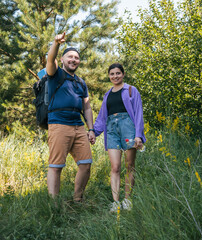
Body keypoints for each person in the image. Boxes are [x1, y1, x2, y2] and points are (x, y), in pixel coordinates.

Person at [46, 32, 96, 202]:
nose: (73, 60)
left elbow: (87, 107)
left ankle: (77, 199)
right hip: (59, 125)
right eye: (70, 57)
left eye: (76, 58)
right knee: (56, 166)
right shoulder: (56, 74)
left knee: (86, 164)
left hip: (78, 126)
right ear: (62, 59)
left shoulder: (81, 82)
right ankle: (54, 206)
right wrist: (56, 43)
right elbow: (50, 59)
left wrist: (91, 129)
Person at [94, 63, 146, 212]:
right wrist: (93, 132)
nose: (115, 76)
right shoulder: (107, 94)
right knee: (115, 167)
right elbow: (102, 117)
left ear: (123, 74)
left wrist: (138, 135)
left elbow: (138, 114)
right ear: (109, 76)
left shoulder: (131, 90)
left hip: (128, 128)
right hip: (111, 130)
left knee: (130, 165)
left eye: (118, 73)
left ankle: (127, 200)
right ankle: (116, 202)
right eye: (112, 74)